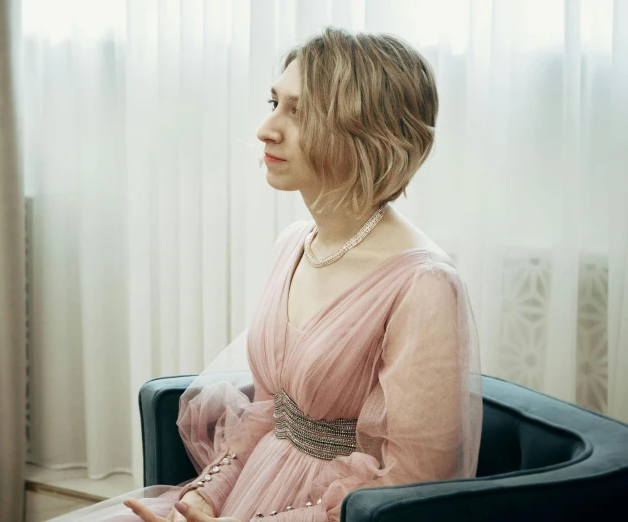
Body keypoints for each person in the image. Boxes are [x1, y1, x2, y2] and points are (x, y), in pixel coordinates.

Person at [54, 27, 482, 522]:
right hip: (248, 494)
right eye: (274, 102)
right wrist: (203, 497)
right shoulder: (295, 245)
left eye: (298, 112)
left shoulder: (424, 285)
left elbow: (412, 481)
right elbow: (267, 413)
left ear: (365, 129)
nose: (266, 129)